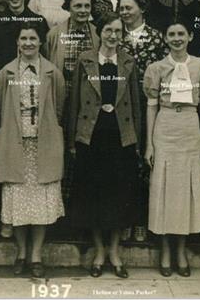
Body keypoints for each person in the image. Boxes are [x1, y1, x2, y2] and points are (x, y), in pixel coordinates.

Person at [68, 15, 141, 279]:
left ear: (123, 34)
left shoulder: (128, 62)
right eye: (108, 30)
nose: (112, 35)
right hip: (92, 137)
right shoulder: (86, 60)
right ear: (100, 33)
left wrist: (137, 141)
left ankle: (114, 252)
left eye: (118, 31)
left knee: (119, 196)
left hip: (120, 139)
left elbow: (134, 104)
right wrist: (73, 141)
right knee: (93, 197)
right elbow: (75, 100)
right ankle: (99, 251)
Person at [0, 21, 66, 278]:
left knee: (40, 201)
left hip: (42, 144)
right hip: (16, 143)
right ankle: (21, 251)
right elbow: (0, 106)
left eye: (32, 39)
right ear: (17, 42)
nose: (27, 43)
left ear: (40, 42)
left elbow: (58, 108)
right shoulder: (6, 73)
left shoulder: (52, 73)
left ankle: (36, 254)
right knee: (18, 201)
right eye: (23, 38)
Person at [144, 20, 200, 278]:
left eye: (181, 34)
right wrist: (149, 143)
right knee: (163, 188)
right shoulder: (156, 68)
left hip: (190, 127)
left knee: (185, 190)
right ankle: (164, 251)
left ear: (190, 36)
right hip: (165, 125)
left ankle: (181, 251)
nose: (176, 38)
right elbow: (151, 106)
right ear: (165, 38)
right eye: (171, 34)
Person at [118, 0, 167, 243]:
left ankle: (143, 221)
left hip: (149, 107)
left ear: (142, 9)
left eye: (130, 8)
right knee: (125, 165)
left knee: (148, 165)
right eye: (122, 9)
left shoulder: (157, 38)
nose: (125, 13)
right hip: (122, 109)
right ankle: (126, 219)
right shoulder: (116, 38)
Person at [45, 0, 99, 209]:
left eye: (87, 6)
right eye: (78, 5)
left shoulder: (97, 34)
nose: (83, 10)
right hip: (63, 98)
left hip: (88, 102)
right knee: (61, 151)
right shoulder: (55, 34)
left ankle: (82, 206)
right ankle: (60, 206)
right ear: (68, 6)